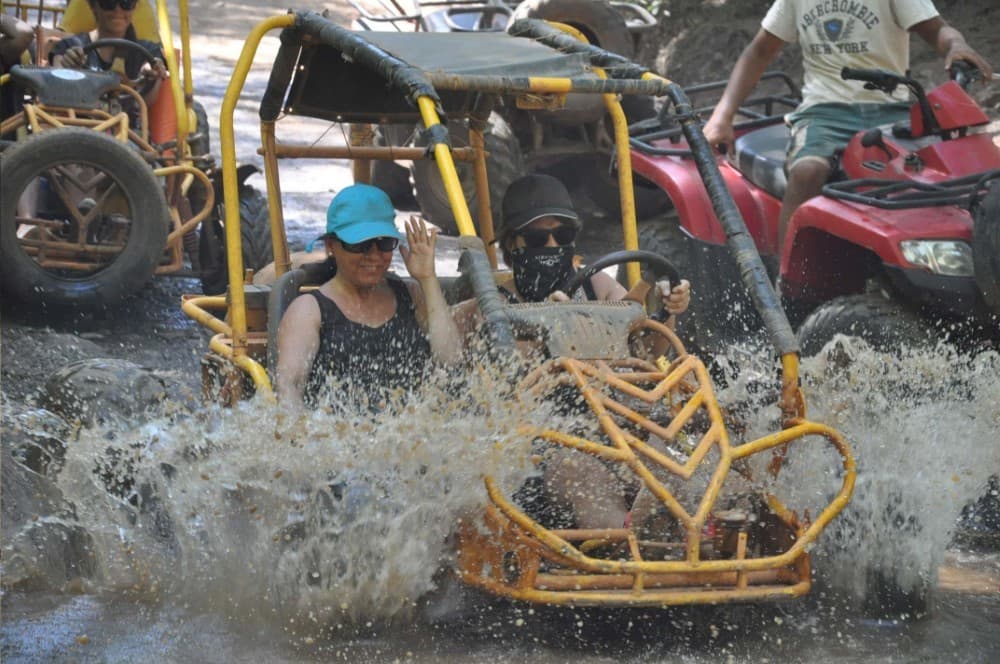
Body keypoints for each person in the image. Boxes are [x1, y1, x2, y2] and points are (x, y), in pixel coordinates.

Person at [702, 0, 994, 254]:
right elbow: (759, 51)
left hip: (892, 110)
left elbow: (939, 30)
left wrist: (957, 45)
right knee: (807, 172)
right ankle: (786, 288)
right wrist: (722, 116)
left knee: (948, 176)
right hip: (825, 113)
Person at [275, 184, 462, 412]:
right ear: (332, 246)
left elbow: (450, 361)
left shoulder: (411, 295)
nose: (373, 255)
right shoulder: (308, 310)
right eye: (359, 244)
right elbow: (289, 388)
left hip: (412, 434)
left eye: (384, 243)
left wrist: (428, 278)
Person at [453, 173, 691, 340]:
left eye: (563, 235)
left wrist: (667, 310)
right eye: (537, 239)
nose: (552, 245)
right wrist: (556, 324)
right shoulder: (497, 306)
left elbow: (645, 350)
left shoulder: (598, 287)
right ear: (511, 244)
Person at [49, 0, 167, 107]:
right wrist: (68, 70)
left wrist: (149, 78)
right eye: (108, 3)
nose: (118, 10)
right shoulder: (70, 46)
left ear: (135, 6)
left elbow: (149, 100)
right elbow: (56, 91)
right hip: (81, 126)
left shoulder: (148, 51)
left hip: (128, 128)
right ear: (93, 6)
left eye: (126, 3)